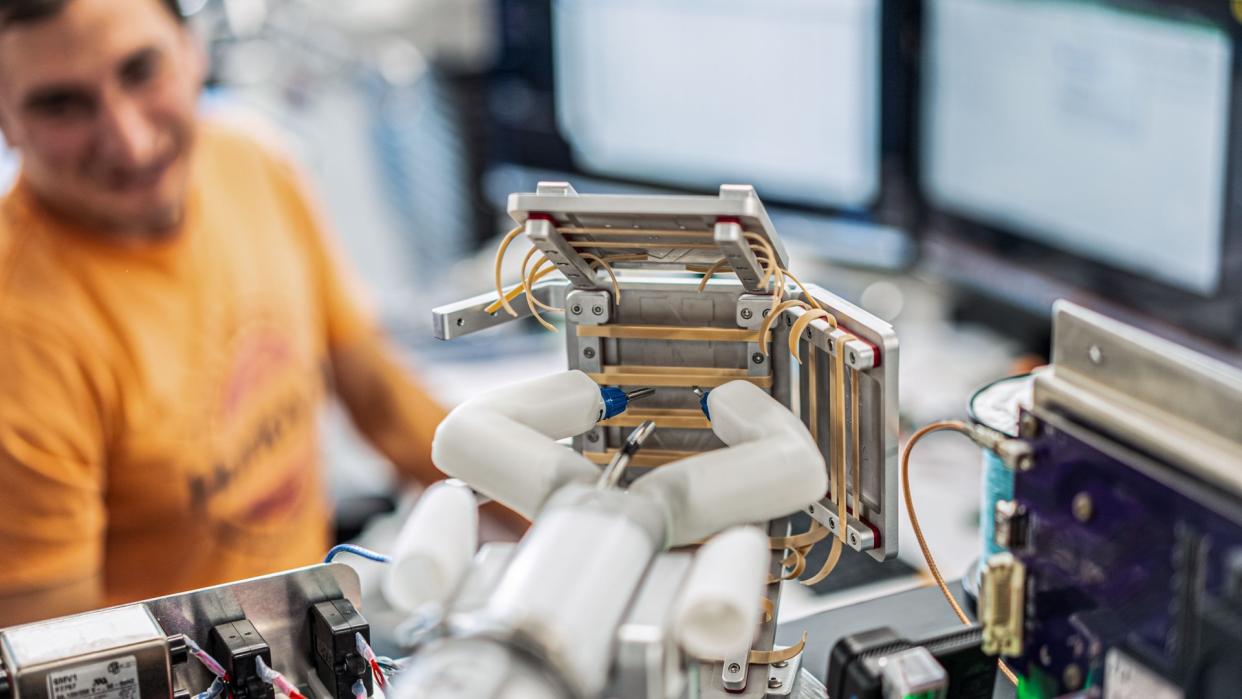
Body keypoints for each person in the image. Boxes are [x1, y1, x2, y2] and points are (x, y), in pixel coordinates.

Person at [0, 0, 479, 625]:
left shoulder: (251, 164)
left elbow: (383, 401)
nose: (131, 142)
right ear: (6, 118)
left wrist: (563, 518)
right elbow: (63, 662)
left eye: (142, 70)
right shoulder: (20, 341)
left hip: (316, 649)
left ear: (195, 48)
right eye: (61, 105)